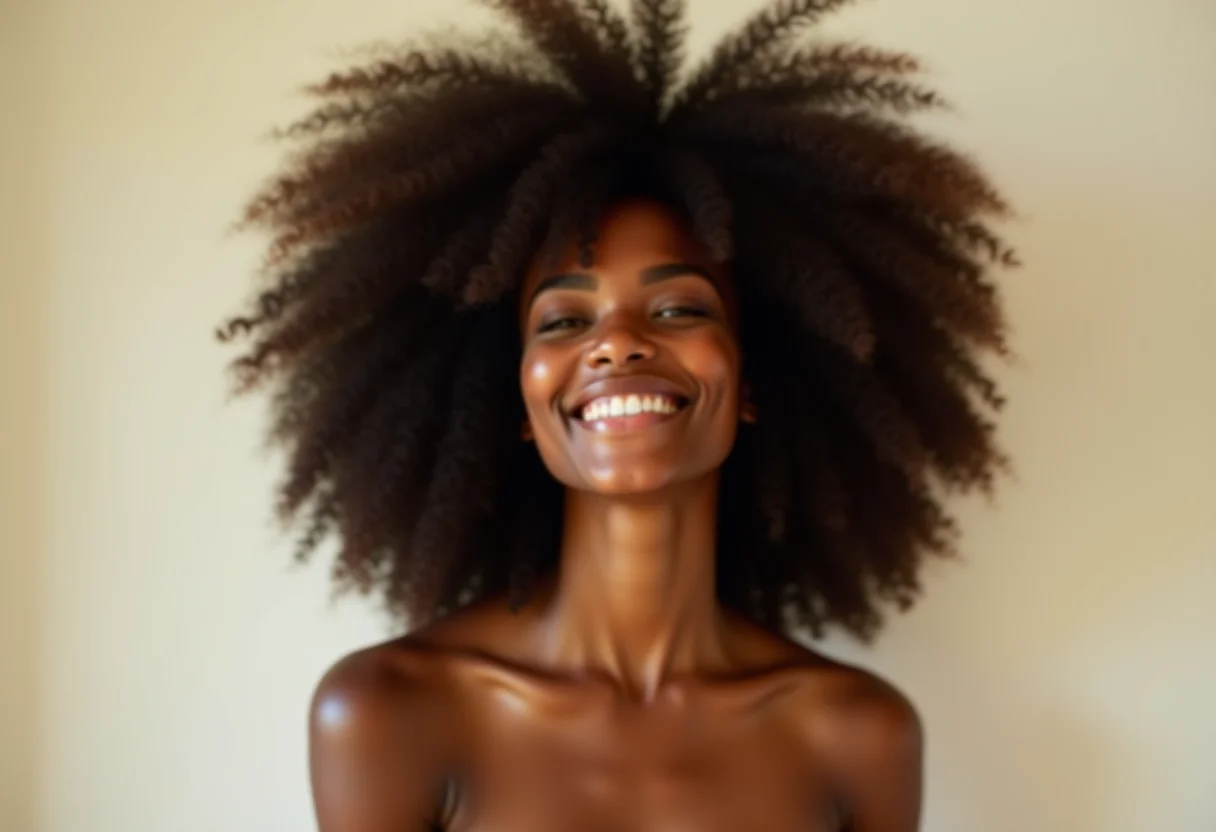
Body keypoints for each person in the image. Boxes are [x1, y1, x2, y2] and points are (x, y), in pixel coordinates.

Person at [218, 1, 1016, 829]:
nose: (617, 344)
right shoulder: (389, 715)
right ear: (521, 403)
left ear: (750, 380)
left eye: (678, 309)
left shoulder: (856, 735)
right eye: (564, 321)